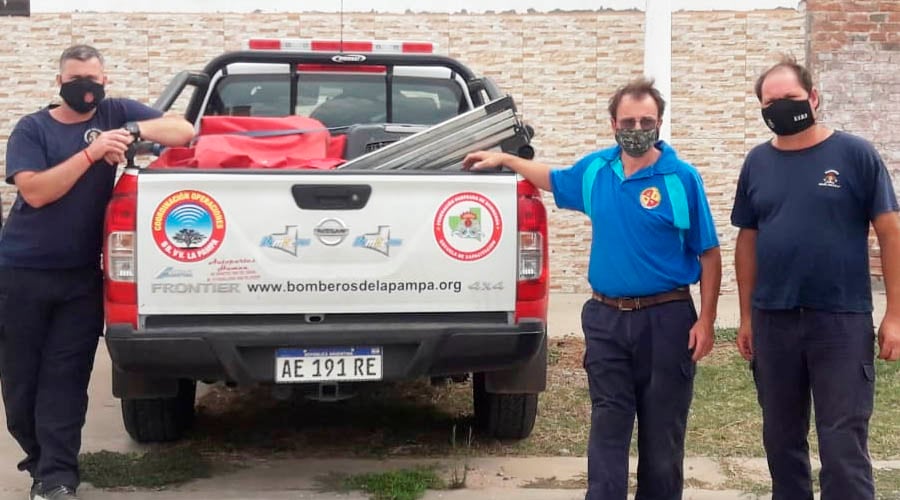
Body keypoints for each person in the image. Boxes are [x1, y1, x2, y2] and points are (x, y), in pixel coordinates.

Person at [464, 77, 721, 500]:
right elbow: (552, 178)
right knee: (608, 423)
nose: (637, 129)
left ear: (659, 122)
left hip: (668, 319)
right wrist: (506, 159)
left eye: (646, 121)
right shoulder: (597, 171)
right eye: (628, 121)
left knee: (662, 432)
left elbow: (709, 255)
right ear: (612, 124)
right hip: (606, 320)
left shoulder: (681, 178)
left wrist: (707, 320)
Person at [0, 44, 194, 500]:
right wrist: (91, 154)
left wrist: (128, 129)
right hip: (21, 275)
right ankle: (39, 458)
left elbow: (182, 131)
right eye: (74, 79)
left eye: (92, 79)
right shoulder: (32, 129)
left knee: (65, 383)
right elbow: (37, 191)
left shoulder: (113, 112)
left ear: (104, 82)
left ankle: (57, 477)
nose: (83, 87)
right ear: (59, 84)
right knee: (22, 390)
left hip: (80, 279)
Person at [731, 55, 900, 500]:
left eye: (790, 98)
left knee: (842, 444)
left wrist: (895, 316)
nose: (781, 107)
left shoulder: (855, 154)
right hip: (774, 321)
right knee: (781, 441)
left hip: (840, 321)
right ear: (762, 108)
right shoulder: (757, 163)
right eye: (772, 101)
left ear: (814, 97)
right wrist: (746, 317)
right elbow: (746, 242)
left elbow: (890, 231)